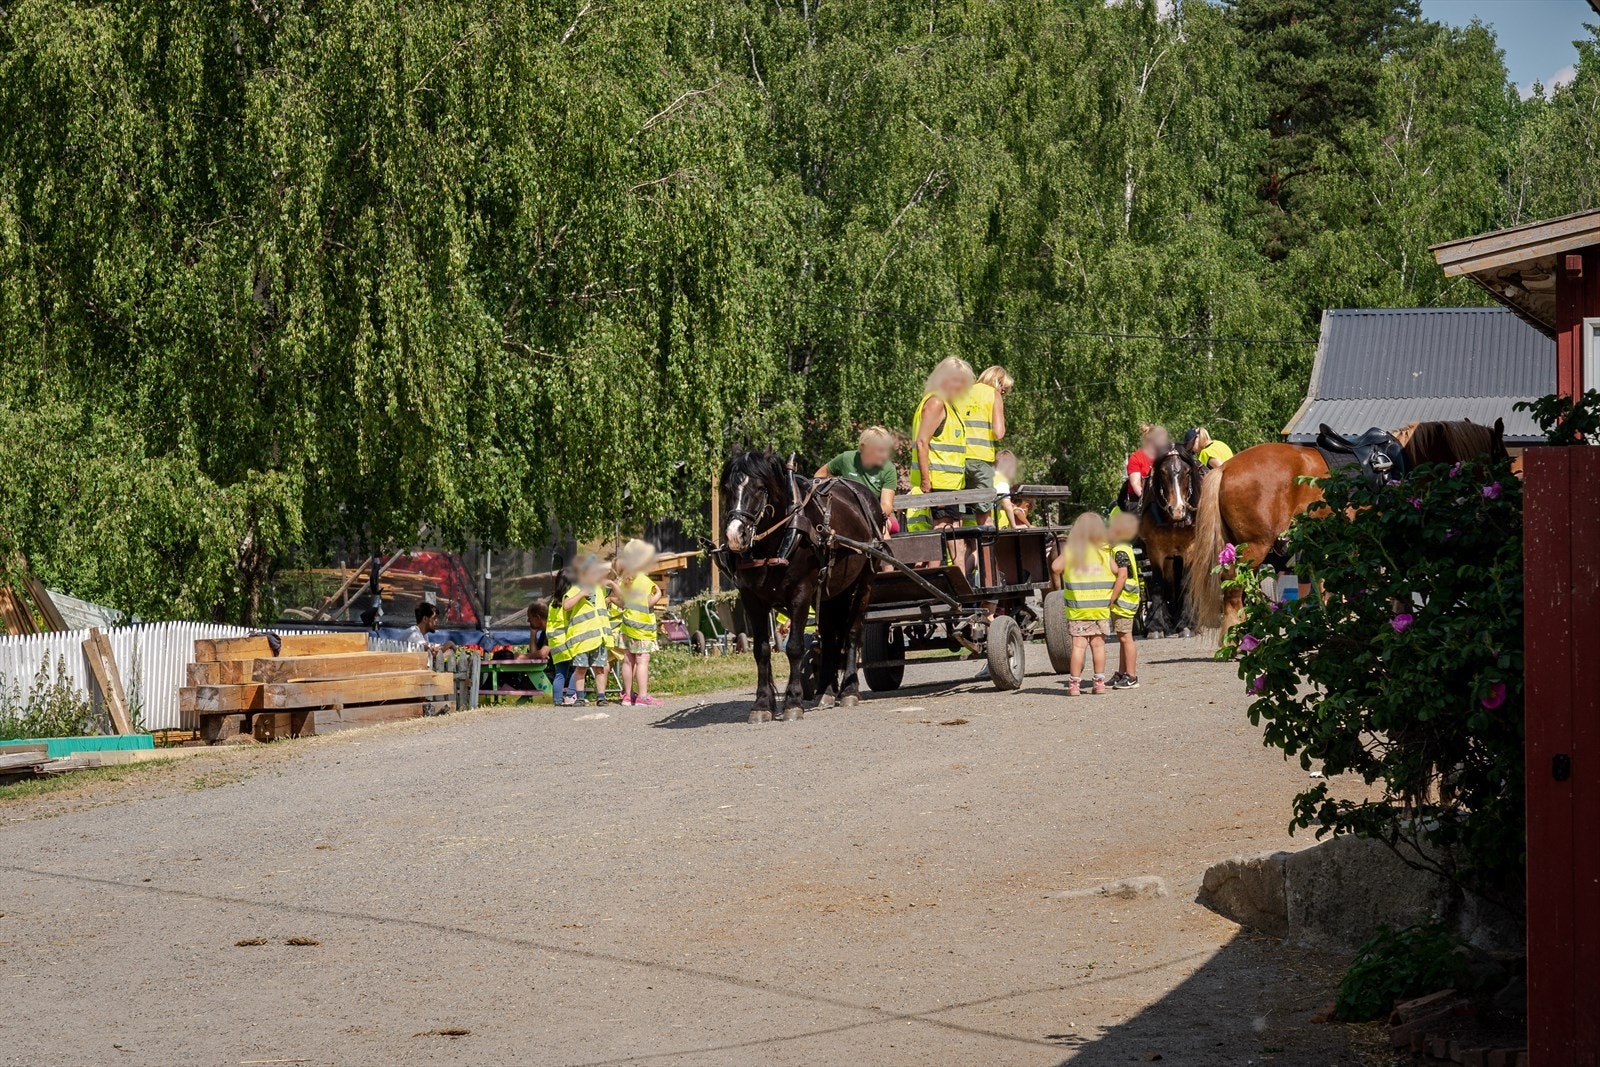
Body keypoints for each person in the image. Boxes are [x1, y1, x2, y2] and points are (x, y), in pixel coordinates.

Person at [910, 357, 975, 571]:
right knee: (953, 544)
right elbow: (922, 442)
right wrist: (927, 481)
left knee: (953, 543)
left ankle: (959, 593)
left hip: (950, 488)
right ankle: (960, 595)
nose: (959, 386)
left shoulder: (949, 405)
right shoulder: (936, 403)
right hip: (939, 485)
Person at [1051, 512, 1114, 696]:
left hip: (1078, 609)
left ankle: (1074, 685)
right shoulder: (1104, 550)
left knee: (1078, 647)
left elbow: (1055, 567)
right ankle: (1099, 683)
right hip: (1100, 608)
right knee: (1098, 646)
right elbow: (1116, 570)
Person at [611, 538, 667, 707]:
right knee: (642, 662)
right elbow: (649, 602)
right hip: (643, 629)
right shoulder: (644, 580)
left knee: (628, 661)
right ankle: (642, 696)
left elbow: (623, 603)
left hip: (627, 627)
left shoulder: (623, 581)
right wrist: (658, 595)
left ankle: (627, 696)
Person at [954, 365, 1012, 527]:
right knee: (984, 516)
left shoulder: (962, 393)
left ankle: (959, 552)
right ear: (998, 383)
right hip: (981, 461)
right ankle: (987, 553)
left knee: (956, 515)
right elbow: (998, 433)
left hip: (957, 460)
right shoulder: (993, 394)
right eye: (1004, 390)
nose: (1003, 394)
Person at [816, 426, 898, 537]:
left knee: (881, 531)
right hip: (847, 514)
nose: (884, 455)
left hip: (879, 516)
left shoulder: (888, 468)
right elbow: (819, 476)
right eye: (879, 450)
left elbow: (886, 505)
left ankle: (888, 553)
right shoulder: (846, 459)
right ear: (864, 447)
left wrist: (865, 516)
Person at [559, 554, 611, 707]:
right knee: (581, 668)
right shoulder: (576, 588)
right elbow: (566, 605)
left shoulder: (599, 589)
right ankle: (579, 697)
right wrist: (581, 594)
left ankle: (601, 697)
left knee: (600, 668)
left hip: (599, 637)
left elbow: (609, 572)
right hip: (582, 640)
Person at [1106, 511, 1141, 690]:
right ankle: (1122, 673)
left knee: (1126, 638)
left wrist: (1111, 598)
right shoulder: (1124, 547)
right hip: (1126, 600)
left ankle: (1132, 676)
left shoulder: (1119, 550)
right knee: (1122, 637)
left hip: (1123, 601)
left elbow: (1122, 576)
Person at [1119, 424, 1169, 514]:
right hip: (1138, 500)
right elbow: (1136, 485)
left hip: (1161, 500)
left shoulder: (1164, 457)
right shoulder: (1136, 457)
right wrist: (1151, 499)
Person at [546, 594, 576, 705]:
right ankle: (570, 695)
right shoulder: (568, 599)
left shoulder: (553, 602)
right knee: (580, 667)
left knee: (560, 673)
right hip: (566, 638)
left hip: (555, 640)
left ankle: (557, 700)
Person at [993, 449, 1028, 529]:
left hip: (969, 521)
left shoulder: (985, 475)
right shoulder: (1000, 480)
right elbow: (1007, 505)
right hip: (990, 525)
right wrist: (1014, 525)